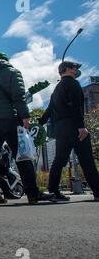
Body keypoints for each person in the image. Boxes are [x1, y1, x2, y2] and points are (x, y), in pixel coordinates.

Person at [0, 52, 53, 205]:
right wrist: (25, 116)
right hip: (10, 120)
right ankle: (33, 194)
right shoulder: (13, 73)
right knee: (22, 156)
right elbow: (18, 97)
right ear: (6, 61)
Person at [39, 61, 99, 202]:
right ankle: (97, 191)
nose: (76, 70)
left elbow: (49, 110)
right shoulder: (73, 84)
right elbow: (76, 107)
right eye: (74, 68)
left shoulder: (57, 89)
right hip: (74, 127)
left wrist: (39, 123)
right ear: (67, 69)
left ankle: (53, 191)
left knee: (58, 161)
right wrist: (81, 127)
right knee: (87, 160)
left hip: (60, 130)